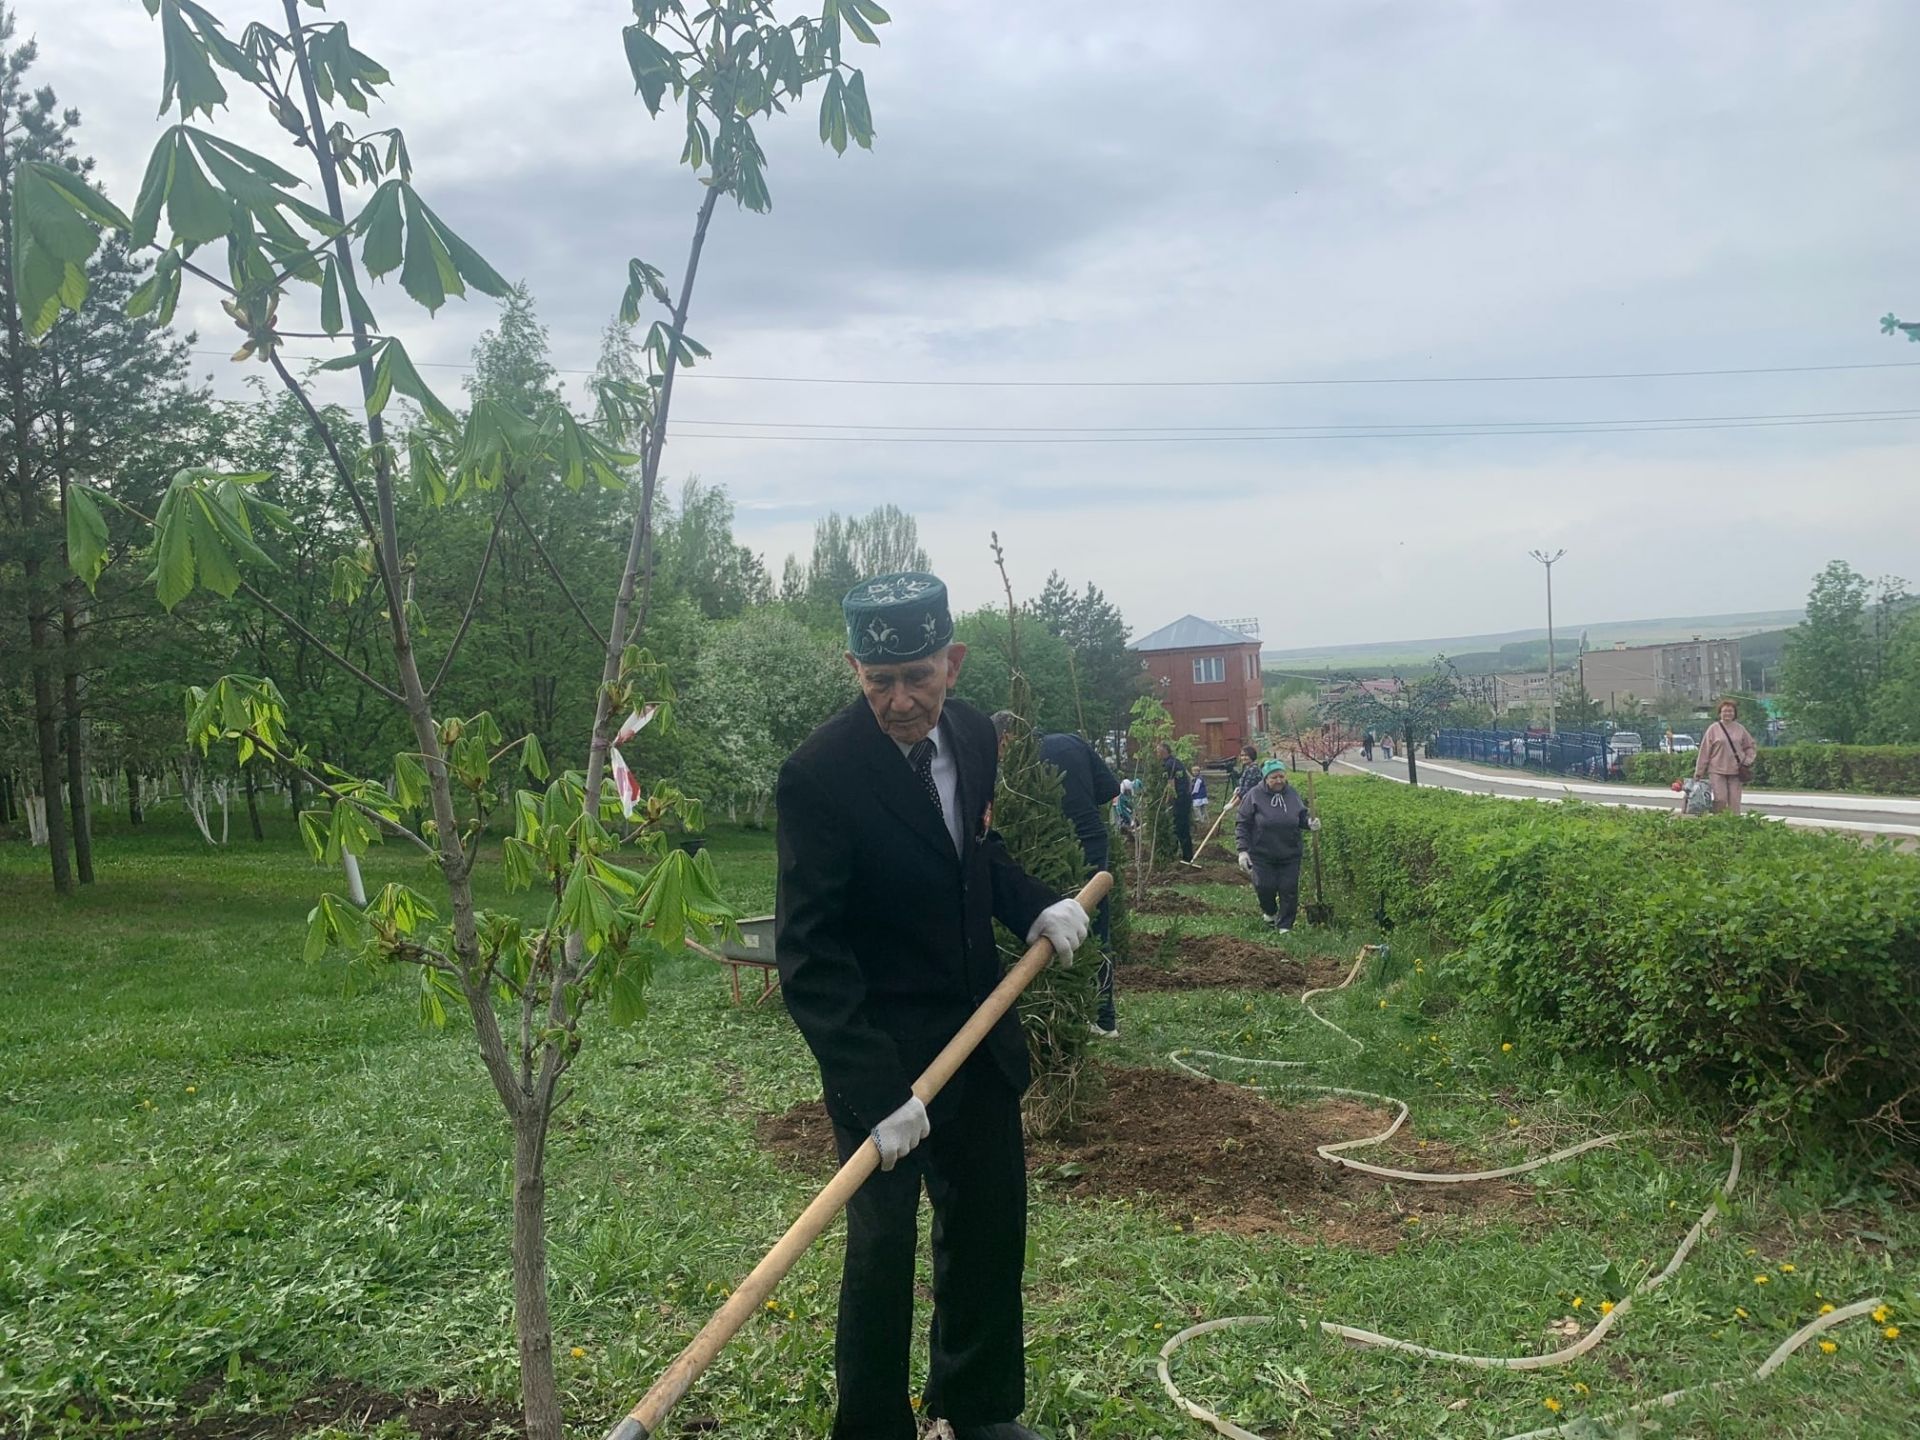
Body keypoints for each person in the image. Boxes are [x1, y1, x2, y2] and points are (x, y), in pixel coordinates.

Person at [776, 571, 1091, 1440]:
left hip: (977, 1032)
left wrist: (1029, 901)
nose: (901, 701)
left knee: (989, 1225)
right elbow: (809, 953)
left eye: (918, 676)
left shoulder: (974, 737)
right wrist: (879, 1095)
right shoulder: (818, 775)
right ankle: (873, 1426)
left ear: (951, 662)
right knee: (881, 1252)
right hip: (880, 1056)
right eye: (881, 683)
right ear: (853, 671)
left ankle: (978, 1408)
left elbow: (968, 859)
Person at [991, 714, 1124, 1039]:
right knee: (1095, 925)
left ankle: (1063, 1012)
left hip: (1051, 844)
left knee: (1057, 924)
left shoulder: (1018, 766)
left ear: (1007, 737)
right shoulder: (1072, 742)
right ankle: (1104, 1018)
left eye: (999, 746)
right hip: (1092, 840)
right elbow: (1109, 789)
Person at [1234, 759, 1319, 933]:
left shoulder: (1292, 794)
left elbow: (1301, 816)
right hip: (1262, 853)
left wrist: (1310, 823)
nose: (1279, 780)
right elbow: (1242, 823)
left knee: (1289, 889)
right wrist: (1243, 851)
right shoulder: (1254, 795)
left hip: (1290, 852)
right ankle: (1270, 912)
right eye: (1274, 777)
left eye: (1282, 776)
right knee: (1264, 887)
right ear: (1266, 778)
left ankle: (1285, 926)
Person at [1695, 697, 1758, 815]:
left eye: (1730, 711)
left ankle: (1735, 826)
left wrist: (1748, 760)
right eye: (1725, 711)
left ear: (1734, 713)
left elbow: (1750, 746)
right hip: (1717, 770)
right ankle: (1719, 824)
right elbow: (1704, 751)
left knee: (1734, 802)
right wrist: (1699, 772)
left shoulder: (1740, 729)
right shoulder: (1713, 729)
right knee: (1720, 800)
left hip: (1736, 771)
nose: (1728, 713)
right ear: (1720, 713)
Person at [1157, 740, 1194, 863]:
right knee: (1183, 827)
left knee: (1178, 827)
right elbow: (1190, 779)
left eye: (1158, 751)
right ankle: (1185, 854)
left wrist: (1167, 802)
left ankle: (1185, 856)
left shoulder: (1168, 765)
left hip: (1179, 800)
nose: (1156, 754)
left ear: (1163, 752)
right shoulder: (1177, 762)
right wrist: (1188, 794)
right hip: (1186, 799)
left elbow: (1170, 786)